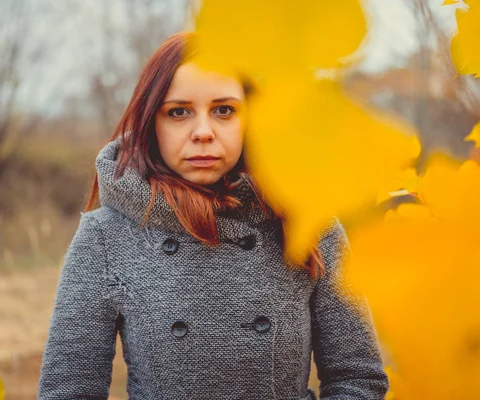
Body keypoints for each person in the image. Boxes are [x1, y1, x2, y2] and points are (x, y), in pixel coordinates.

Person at [37, 31, 388, 400]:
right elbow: (68, 391)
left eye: (224, 110)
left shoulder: (310, 223)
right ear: (150, 123)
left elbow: (358, 380)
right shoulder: (106, 236)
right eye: (178, 112)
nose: (203, 132)